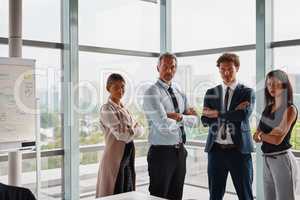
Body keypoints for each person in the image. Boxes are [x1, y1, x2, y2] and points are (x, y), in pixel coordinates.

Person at [143, 52, 199, 200]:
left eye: (172, 67)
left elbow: (195, 121)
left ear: (176, 68)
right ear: (158, 68)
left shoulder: (179, 92)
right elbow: (162, 124)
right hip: (161, 154)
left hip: (180, 151)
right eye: (165, 67)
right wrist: (184, 117)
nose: (169, 71)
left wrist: (178, 116)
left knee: (176, 195)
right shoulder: (151, 92)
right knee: (159, 196)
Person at [201, 53, 255, 200]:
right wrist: (230, 113)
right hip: (216, 151)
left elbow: (242, 116)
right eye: (222, 69)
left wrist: (217, 113)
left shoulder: (247, 92)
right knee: (215, 196)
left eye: (230, 69)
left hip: (239, 152)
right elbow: (205, 120)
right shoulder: (211, 92)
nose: (226, 73)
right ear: (219, 69)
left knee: (245, 195)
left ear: (237, 68)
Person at [253, 69, 299, 200]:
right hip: (266, 159)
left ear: (284, 85)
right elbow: (256, 135)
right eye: (268, 84)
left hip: (282, 160)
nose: (271, 87)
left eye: (275, 84)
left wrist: (262, 135)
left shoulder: (290, 109)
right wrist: (264, 135)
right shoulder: (268, 108)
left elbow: (277, 139)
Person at [96, 73, 143, 197]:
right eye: (116, 87)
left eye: (122, 87)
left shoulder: (125, 109)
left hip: (127, 157)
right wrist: (133, 129)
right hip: (114, 158)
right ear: (108, 88)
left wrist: (132, 130)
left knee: (127, 191)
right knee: (114, 192)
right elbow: (122, 135)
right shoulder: (107, 109)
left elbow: (141, 130)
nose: (120, 90)